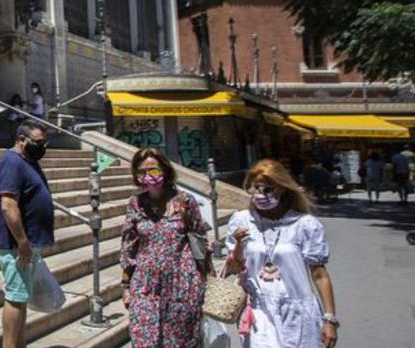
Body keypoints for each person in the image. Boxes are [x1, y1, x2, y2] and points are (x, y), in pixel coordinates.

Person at [223, 160, 339, 348]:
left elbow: (319, 274)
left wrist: (330, 319)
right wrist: (237, 244)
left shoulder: (304, 225)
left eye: (268, 189)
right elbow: (235, 267)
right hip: (259, 310)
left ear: (283, 189)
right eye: (255, 189)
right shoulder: (242, 221)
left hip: (298, 311)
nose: (261, 195)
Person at [120, 147, 210, 347]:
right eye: (142, 171)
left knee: (179, 342)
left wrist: (205, 279)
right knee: (143, 339)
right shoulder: (135, 204)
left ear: (165, 170)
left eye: (153, 170)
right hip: (145, 283)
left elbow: (200, 241)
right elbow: (128, 246)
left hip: (182, 283)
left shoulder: (185, 202)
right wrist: (125, 286)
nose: (147, 176)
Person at [0, 120, 55, 348]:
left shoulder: (28, 161)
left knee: (21, 297)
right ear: (21, 140)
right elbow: (8, 205)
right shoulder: (12, 162)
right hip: (15, 244)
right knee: (16, 297)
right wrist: (22, 242)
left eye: (44, 142)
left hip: (27, 242)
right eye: (38, 142)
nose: (42, 146)